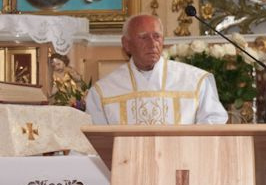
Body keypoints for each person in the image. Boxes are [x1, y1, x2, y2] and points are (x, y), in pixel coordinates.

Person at [85, 14, 228, 125]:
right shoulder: (104, 91)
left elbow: (215, 121)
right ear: (126, 44)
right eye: (143, 37)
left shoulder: (195, 81)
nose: (152, 43)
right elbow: (95, 139)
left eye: (157, 36)